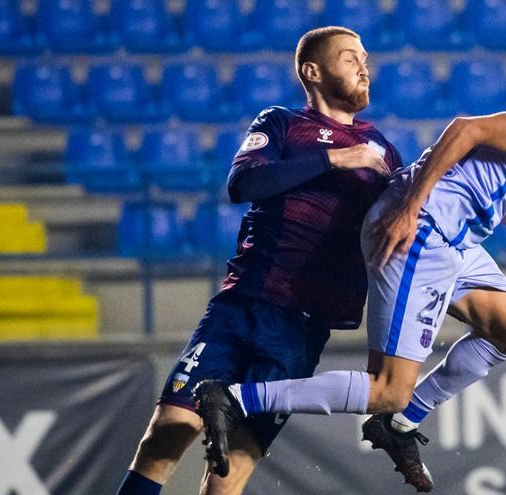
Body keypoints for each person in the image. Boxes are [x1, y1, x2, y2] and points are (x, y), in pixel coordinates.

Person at [196, 98, 506, 492]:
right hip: (422, 233)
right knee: (386, 388)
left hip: (455, 239)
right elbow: (466, 129)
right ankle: (234, 397)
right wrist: (411, 204)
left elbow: (485, 164)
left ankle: (400, 425)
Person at [115, 26, 403, 495]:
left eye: (365, 57)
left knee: (232, 468)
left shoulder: (384, 152)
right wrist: (336, 159)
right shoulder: (282, 123)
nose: (364, 66)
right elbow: (243, 184)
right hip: (242, 304)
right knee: (166, 436)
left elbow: (415, 215)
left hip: (303, 326)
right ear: (312, 71)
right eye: (350, 57)